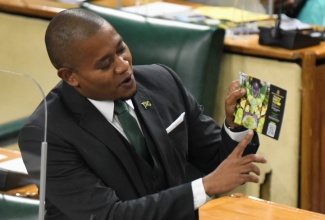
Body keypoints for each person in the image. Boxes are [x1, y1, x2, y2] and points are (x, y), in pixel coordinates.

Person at [18, 8, 266, 220]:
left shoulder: (163, 82)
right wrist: (205, 186)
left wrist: (235, 126)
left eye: (121, 48)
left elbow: (219, 162)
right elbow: (110, 215)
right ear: (70, 76)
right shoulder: (45, 134)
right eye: (105, 64)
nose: (123, 65)